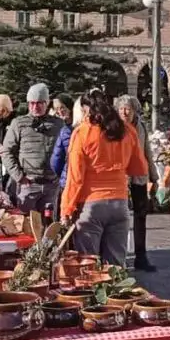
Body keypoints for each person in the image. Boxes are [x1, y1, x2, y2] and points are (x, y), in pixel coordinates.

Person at [61, 90, 148, 266]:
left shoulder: (82, 133)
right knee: (116, 267)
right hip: (120, 203)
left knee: (88, 266)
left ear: (86, 110)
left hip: (91, 206)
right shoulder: (127, 130)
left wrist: (66, 209)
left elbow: (75, 178)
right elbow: (139, 168)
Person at [3, 83, 65, 213]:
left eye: (39, 103)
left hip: (51, 185)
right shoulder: (19, 124)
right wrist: (19, 176)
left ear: (46, 103)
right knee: (25, 225)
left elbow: (68, 151)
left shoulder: (58, 124)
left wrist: (62, 177)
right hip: (28, 184)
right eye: (31, 103)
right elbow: (7, 152)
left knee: (50, 227)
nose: (35, 107)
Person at [116, 95, 160, 272]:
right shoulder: (115, 128)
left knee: (141, 216)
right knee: (121, 218)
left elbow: (147, 150)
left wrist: (154, 176)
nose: (124, 112)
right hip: (121, 179)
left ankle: (141, 256)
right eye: (121, 109)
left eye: (128, 109)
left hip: (139, 176)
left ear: (134, 111)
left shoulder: (140, 126)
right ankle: (121, 257)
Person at [49, 93, 76, 219]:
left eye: (62, 108)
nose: (59, 112)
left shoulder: (67, 129)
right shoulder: (63, 127)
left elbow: (56, 160)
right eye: (56, 109)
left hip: (69, 179)